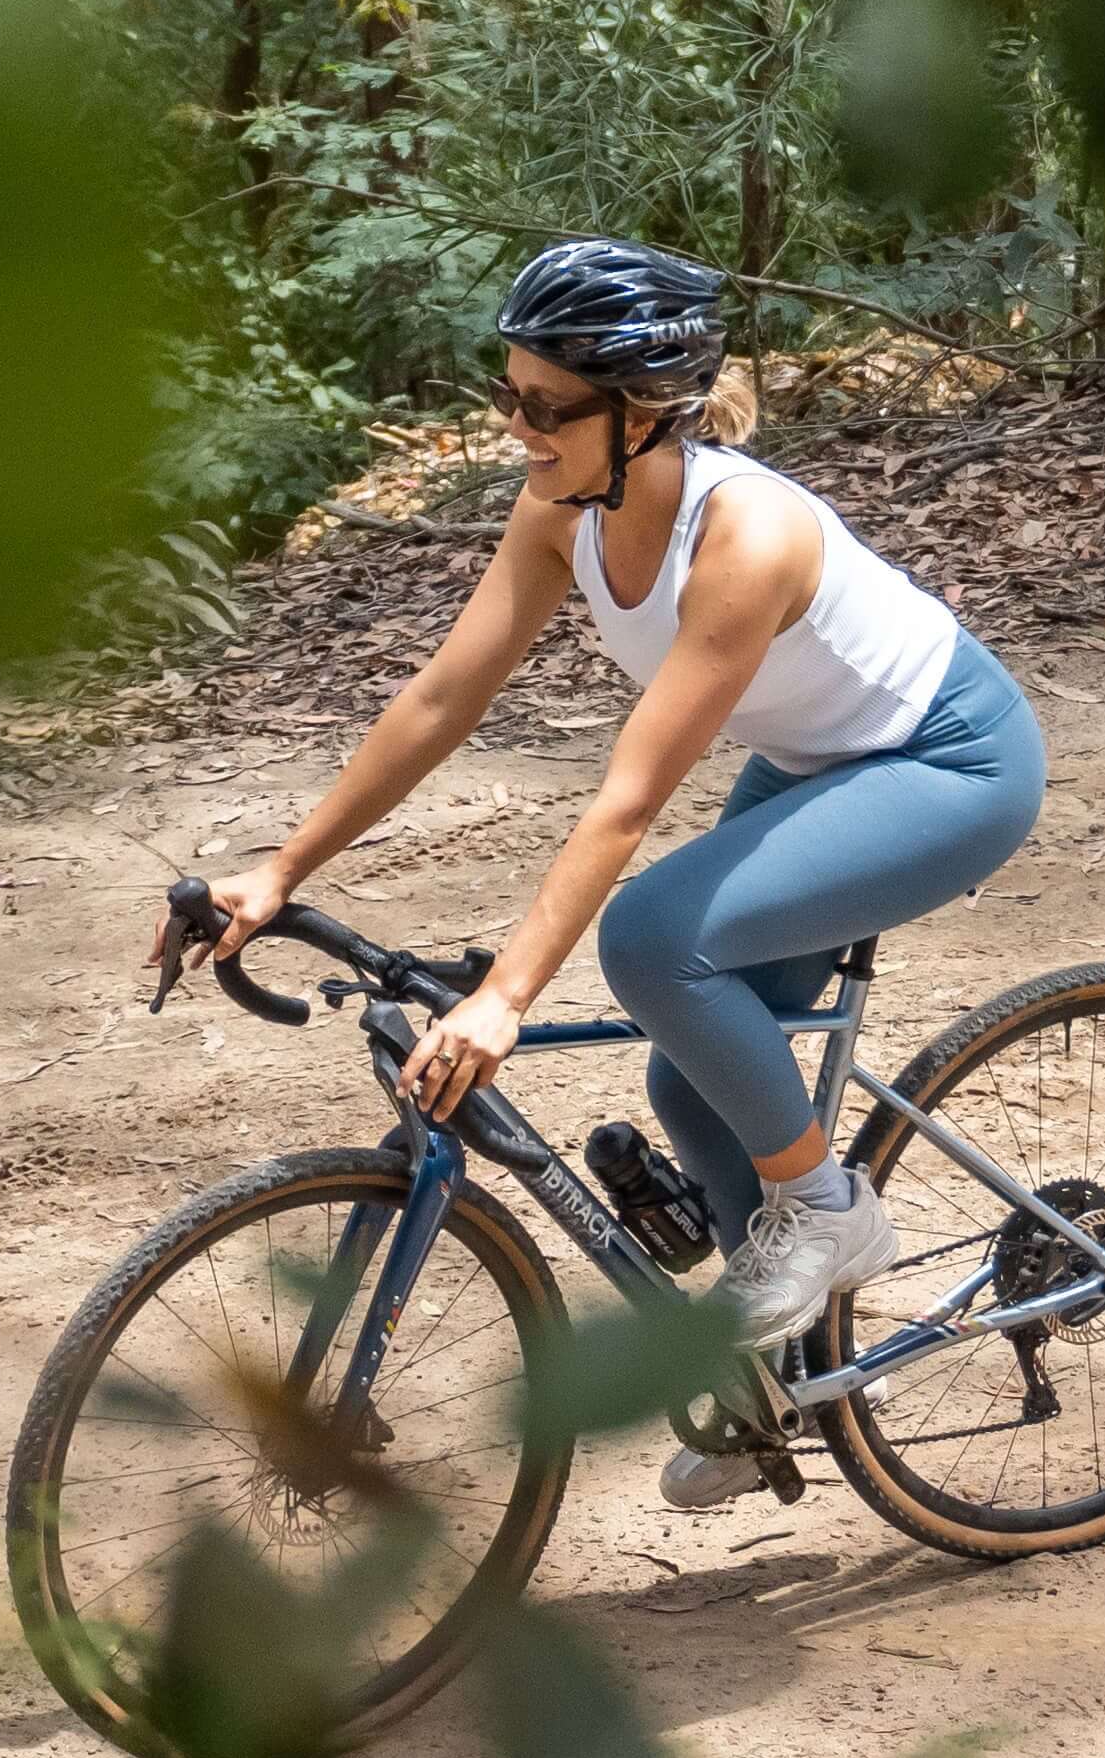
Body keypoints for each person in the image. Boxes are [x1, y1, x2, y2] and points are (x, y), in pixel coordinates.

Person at [174, 242, 1049, 1488]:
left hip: (951, 764)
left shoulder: (746, 535)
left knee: (651, 941)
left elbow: (628, 801)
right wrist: (280, 872)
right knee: (694, 1085)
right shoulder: (561, 512)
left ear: (642, 413)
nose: (516, 428)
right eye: (507, 395)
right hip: (818, 763)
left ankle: (830, 1215)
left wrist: (504, 997)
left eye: (547, 408)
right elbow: (442, 699)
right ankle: (786, 1392)